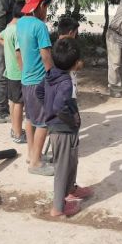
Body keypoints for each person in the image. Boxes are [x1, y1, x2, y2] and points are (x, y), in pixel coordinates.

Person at [37, 38, 93, 217]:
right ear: (76, 63)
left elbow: (39, 92)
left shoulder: (51, 73)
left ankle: (70, 189)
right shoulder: (66, 83)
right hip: (63, 130)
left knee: (71, 161)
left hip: (63, 128)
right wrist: (71, 120)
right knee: (62, 166)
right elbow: (59, 107)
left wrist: (48, 107)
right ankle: (58, 208)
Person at [15, 0, 54, 176]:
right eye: (47, 6)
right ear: (42, 6)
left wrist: (24, 73)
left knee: (30, 118)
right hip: (40, 81)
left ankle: (32, 154)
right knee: (44, 122)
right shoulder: (40, 26)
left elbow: (18, 53)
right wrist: (53, 76)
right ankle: (36, 163)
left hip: (26, 81)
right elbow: (45, 54)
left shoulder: (20, 23)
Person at [0, 0, 26, 144]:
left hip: (9, 71)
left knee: (13, 102)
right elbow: (19, 53)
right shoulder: (19, 30)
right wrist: (25, 70)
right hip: (18, 72)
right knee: (19, 103)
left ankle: (15, 129)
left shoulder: (8, 28)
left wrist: (7, 45)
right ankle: (18, 133)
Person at [57, 16, 83, 98]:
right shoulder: (71, 47)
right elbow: (77, 66)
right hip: (69, 88)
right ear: (71, 33)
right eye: (75, 33)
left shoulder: (54, 46)